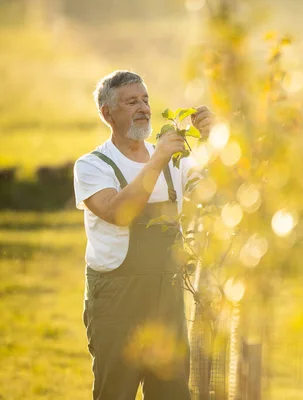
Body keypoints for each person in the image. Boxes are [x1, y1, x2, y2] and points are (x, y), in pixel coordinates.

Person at [73, 70, 214, 400]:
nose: (143, 108)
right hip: (117, 303)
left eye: (146, 100)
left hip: (167, 300)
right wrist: (158, 159)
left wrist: (214, 141)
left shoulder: (176, 161)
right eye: (131, 101)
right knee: (115, 391)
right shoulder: (93, 165)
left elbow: (216, 194)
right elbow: (118, 212)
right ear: (107, 113)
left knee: (173, 393)